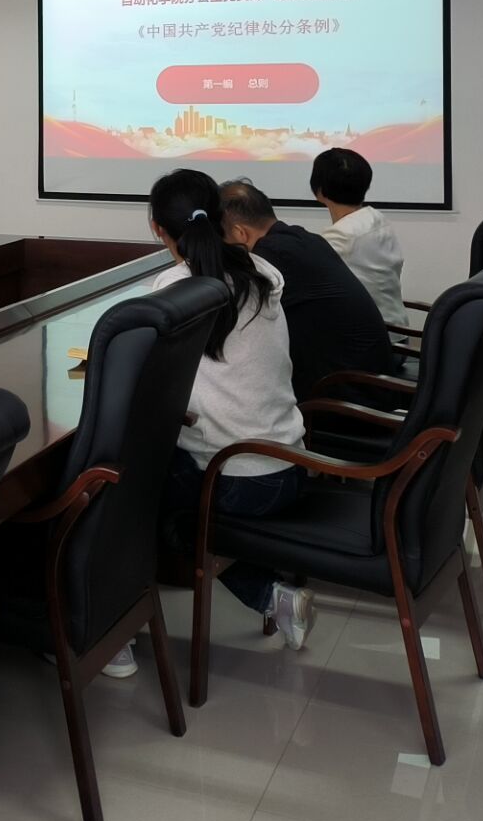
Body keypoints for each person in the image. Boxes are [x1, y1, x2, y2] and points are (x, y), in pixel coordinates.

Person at [125, 169, 312, 681]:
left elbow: (145, 382)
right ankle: (273, 596)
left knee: (125, 496)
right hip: (293, 461)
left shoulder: (174, 290)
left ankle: (109, 630)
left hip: (239, 481)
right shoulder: (263, 271)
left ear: (158, 229)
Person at [220, 178, 394, 398]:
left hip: (347, 397)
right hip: (372, 380)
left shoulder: (269, 257)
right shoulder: (304, 239)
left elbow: (236, 321)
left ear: (239, 233)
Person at [311, 148, 409, 328]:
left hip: (367, 336)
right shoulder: (376, 219)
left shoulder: (340, 237)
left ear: (319, 191)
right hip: (396, 330)